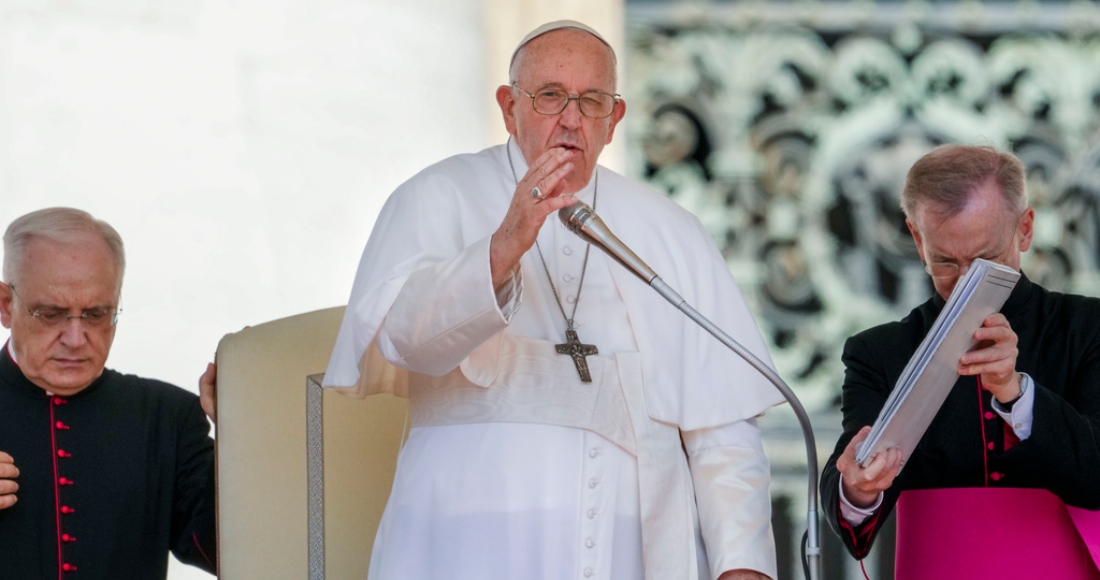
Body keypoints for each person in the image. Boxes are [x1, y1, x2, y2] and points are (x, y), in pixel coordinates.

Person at [322, 20, 785, 580]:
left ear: (614, 119)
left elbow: (723, 430)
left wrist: (743, 567)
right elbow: (402, 339)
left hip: (628, 549)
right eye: (549, 96)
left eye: (592, 101)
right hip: (464, 540)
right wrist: (502, 248)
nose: (571, 118)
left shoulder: (671, 230)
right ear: (508, 107)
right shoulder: (436, 195)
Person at [820, 144, 1100, 559]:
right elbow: (848, 510)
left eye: (987, 259)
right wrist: (858, 488)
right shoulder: (876, 353)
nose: (968, 282)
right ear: (918, 240)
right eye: (946, 262)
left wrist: (1016, 392)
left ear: (1024, 230)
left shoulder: (1087, 327)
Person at [0, 207, 217, 579]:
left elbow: (239, 555)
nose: (75, 339)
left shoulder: (168, 418)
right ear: (6, 305)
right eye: (51, 314)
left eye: (96, 314)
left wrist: (245, 432)